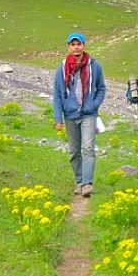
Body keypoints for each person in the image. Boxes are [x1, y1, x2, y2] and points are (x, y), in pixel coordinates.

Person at [52, 33, 106, 197]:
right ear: (68, 47)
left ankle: (87, 184)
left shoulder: (94, 66)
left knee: (88, 148)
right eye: (73, 44)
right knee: (74, 151)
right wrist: (57, 118)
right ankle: (79, 181)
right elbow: (57, 95)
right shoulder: (61, 69)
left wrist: (93, 104)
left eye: (79, 44)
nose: (76, 47)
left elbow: (101, 88)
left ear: (83, 46)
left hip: (88, 114)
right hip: (70, 115)